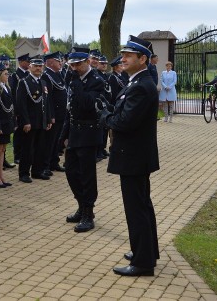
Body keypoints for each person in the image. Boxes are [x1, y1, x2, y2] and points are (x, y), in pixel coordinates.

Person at [99, 35, 160, 277]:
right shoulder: (136, 82)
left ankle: (143, 263)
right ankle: (146, 251)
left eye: (128, 56)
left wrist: (104, 117)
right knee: (142, 205)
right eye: (123, 55)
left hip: (133, 157)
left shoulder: (142, 86)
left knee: (137, 208)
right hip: (135, 156)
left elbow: (124, 122)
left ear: (142, 59)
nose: (123, 59)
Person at [59, 47, 105, 233]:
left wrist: (77, 83)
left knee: (87, 175)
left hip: (88, 133)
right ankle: (81, 204)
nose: (75, 68)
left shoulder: (96, 81)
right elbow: (70, 109)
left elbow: (87, 104)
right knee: (71, 172)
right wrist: (64, 135)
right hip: (74, 130)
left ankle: (88, 212)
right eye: (72, 65)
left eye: (78, 64)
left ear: (87, 62)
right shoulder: (73, 80)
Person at [15, 56, 52, 183]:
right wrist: (25, 121)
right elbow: (21, 104)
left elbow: (46, 103)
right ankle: (24, 173)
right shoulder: (24, 82)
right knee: (27, 149)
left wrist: (47, 120)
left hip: (41, 121)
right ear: (30, 67)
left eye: (40, 66)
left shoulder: (43, 82)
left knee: (40, 148)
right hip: (30, 122)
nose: (38, 68)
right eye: (35, 66)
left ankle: (37, 171)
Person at [41, 51, 67, 174]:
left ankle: (54, 161)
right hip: (54, 114)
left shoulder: (58, 74)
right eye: (58, 61)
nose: (60, 63)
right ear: (50, 62)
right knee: (49, 141)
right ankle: (45, 165)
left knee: (57, 140)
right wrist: (51, 116)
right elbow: (48, 98)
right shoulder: (46, 76)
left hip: (61, 113)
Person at [8, 53, 29, 165]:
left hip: (27, 108)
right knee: (19, 134)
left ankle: (24, 154)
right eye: (26, 61)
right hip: (19, 109)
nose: (28, 63)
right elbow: (14, 94)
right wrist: (15, 111)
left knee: (26, 135)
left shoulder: (28, 74)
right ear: (20, 62)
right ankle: (17, 155)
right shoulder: (15, 76)